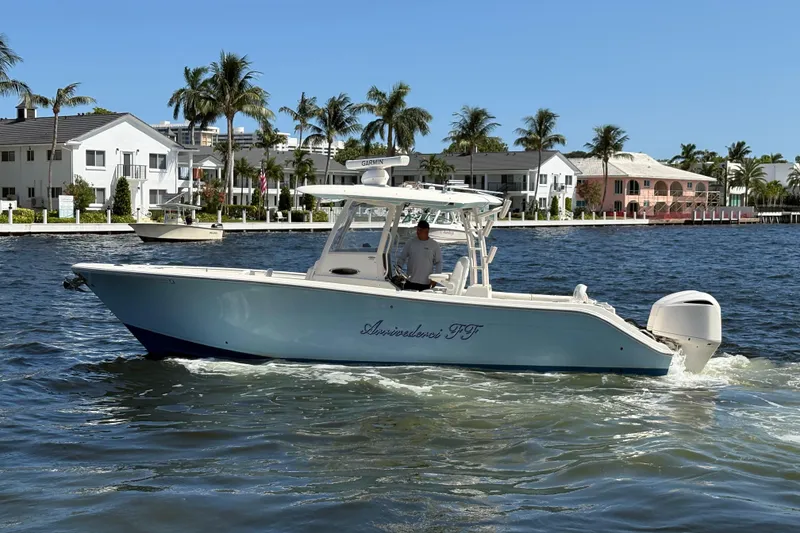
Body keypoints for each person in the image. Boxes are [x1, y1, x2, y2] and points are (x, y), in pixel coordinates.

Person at [396, 220, 442, 291]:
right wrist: (398, 268)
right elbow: (402, 258)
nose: (418, 232)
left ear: (426, 231)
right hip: (410, 281)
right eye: (417, 229)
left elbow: (439, 262)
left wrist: (436, 279)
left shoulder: (434, 245)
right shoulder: (410, 242)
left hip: (426, 283)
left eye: (420, 230)